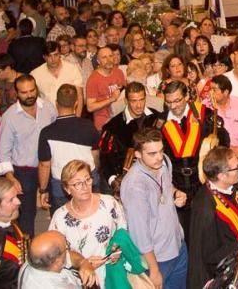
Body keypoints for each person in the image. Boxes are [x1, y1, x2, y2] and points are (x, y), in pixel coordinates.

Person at [156, 80, 228, 235]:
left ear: (187, 96)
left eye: (177, 100)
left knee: (209, 230)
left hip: (202, 182)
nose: (173, 106)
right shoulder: (159, 124)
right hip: (176, 185)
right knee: (184, 233)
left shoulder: (206, 115)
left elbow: (223, 143)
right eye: (168, 102)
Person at [120, 128, 188, 289]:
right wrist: (154, 269)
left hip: (177, 246)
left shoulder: (162, 163)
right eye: (152, 153)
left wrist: (176, 193)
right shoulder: (135, 186)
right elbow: (140, 233)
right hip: (158, 258)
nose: (159, 157)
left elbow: (166, 186)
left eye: (161, 151)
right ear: (137, 154)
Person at [49, 159, 131, 287]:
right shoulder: (60, 218)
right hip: (81, 280)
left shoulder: (109, 204)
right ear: (67, 189)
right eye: (77, 183)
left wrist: (115, 253)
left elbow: (124, 232)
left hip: (113, 275)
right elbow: (55, 255)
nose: (85, 186)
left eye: (87, 180)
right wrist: (83, 263)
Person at [0, 74, 57, 236]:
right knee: (25, 215)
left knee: (58, 207)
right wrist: (11, 178)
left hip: (50, 167)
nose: (29, 95)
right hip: (24, 172)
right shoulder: (9, 117)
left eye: (32, 90)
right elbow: (2, 152)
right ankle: (26, 251)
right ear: (16, 93)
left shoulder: (48, 108)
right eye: (24, 92)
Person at [187, 146, 238, 289]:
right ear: (221, 176)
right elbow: (209, 256)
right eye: (236, 167)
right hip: (223, 272)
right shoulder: (205, 207)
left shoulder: (237, 189)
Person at [37, 84, 100, 212]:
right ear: (76, 103)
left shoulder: (47, 132)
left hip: (61, 184)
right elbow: (95, 155)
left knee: (63, 221)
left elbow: (45, 165)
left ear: (56, 103)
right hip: (87, 179)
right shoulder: (88, 126)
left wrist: (43, 190)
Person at [98, 81, 161, 187]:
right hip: (127, 182)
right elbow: (105, 158)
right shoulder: (112, 127)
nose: (139, 105)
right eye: (134, 101)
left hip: (156, 178)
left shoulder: (157, 118)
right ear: (126, 101)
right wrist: (114, 180)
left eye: (141, 100)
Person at [18, 230, 90, 288]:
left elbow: (69, 256)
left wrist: (83, 263)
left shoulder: (35, 258)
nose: (68, 250)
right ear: (58, 262)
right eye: (66, 247)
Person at [32, 39, 85, 116]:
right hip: (47, 118)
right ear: (44, 57)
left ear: (60, 54)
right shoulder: (35, 74)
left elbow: (79, 96)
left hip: (70, 116)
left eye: (56, 55)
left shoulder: (72, 69)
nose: (53, 59)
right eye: (49, 56)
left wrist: (77, 118)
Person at [85, 45, 127, 130]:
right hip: (103, 124)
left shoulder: (118, 72)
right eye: (104, 57)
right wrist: (111, 99)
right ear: (98, 61)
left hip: (120, 120)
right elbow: (90, 107)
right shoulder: (93, 79)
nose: (108, 60)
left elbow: (124, 92)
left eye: (110, 56)